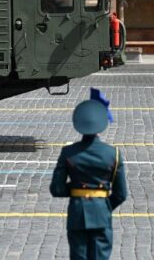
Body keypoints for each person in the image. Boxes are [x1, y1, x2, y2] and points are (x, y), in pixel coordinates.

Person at [50, 90, 128, 260]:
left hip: (77, 212)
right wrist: (103, 205)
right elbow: (121, 194)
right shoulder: (113, 154)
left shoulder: (68, 153)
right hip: (101, 212)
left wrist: (77, 189)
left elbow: (57, 189)